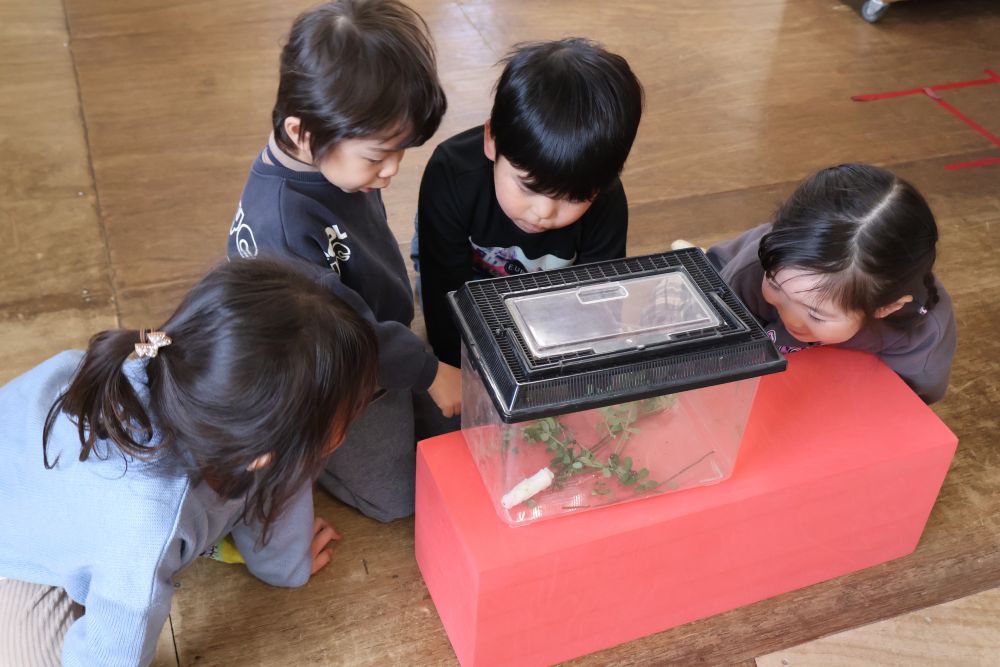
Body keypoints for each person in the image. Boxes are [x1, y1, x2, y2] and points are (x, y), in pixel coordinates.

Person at [0, 259, 378, 666]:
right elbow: (111, 656)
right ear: (262, 453)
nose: (359, 414)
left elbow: (274, 482)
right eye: (352, 410)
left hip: (44, 474)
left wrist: (287, 564)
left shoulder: (198, 380)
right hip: (19, 552)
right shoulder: (148, 523)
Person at [226, 0, 456, 521]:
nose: (392, 171)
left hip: (371, 339)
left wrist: (421, 369)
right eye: (378, 156)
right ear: (301, 132)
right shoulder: (282, 230)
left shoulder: (332, 162)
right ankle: (300, 455)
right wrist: (427, 371)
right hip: (326, 376)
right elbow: (346, 333)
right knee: (402, 499)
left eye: (402, 151)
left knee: (456, 429)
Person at [413, 37, 645, 367]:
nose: (543, 212)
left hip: (549, 297)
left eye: (575, 198)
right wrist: (454, 364)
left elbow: (601, 298)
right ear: (492, 140)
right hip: (461, 274)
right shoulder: (451, 175)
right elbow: (444, 290)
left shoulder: (606, 199)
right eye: (528, 187)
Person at [706, 163, 956, 403]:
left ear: (885, 308)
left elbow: (910, 404)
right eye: (776, 287)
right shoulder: (752, 272)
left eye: (816, 314)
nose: (791, 319)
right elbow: (711, 353)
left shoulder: (921, 329)